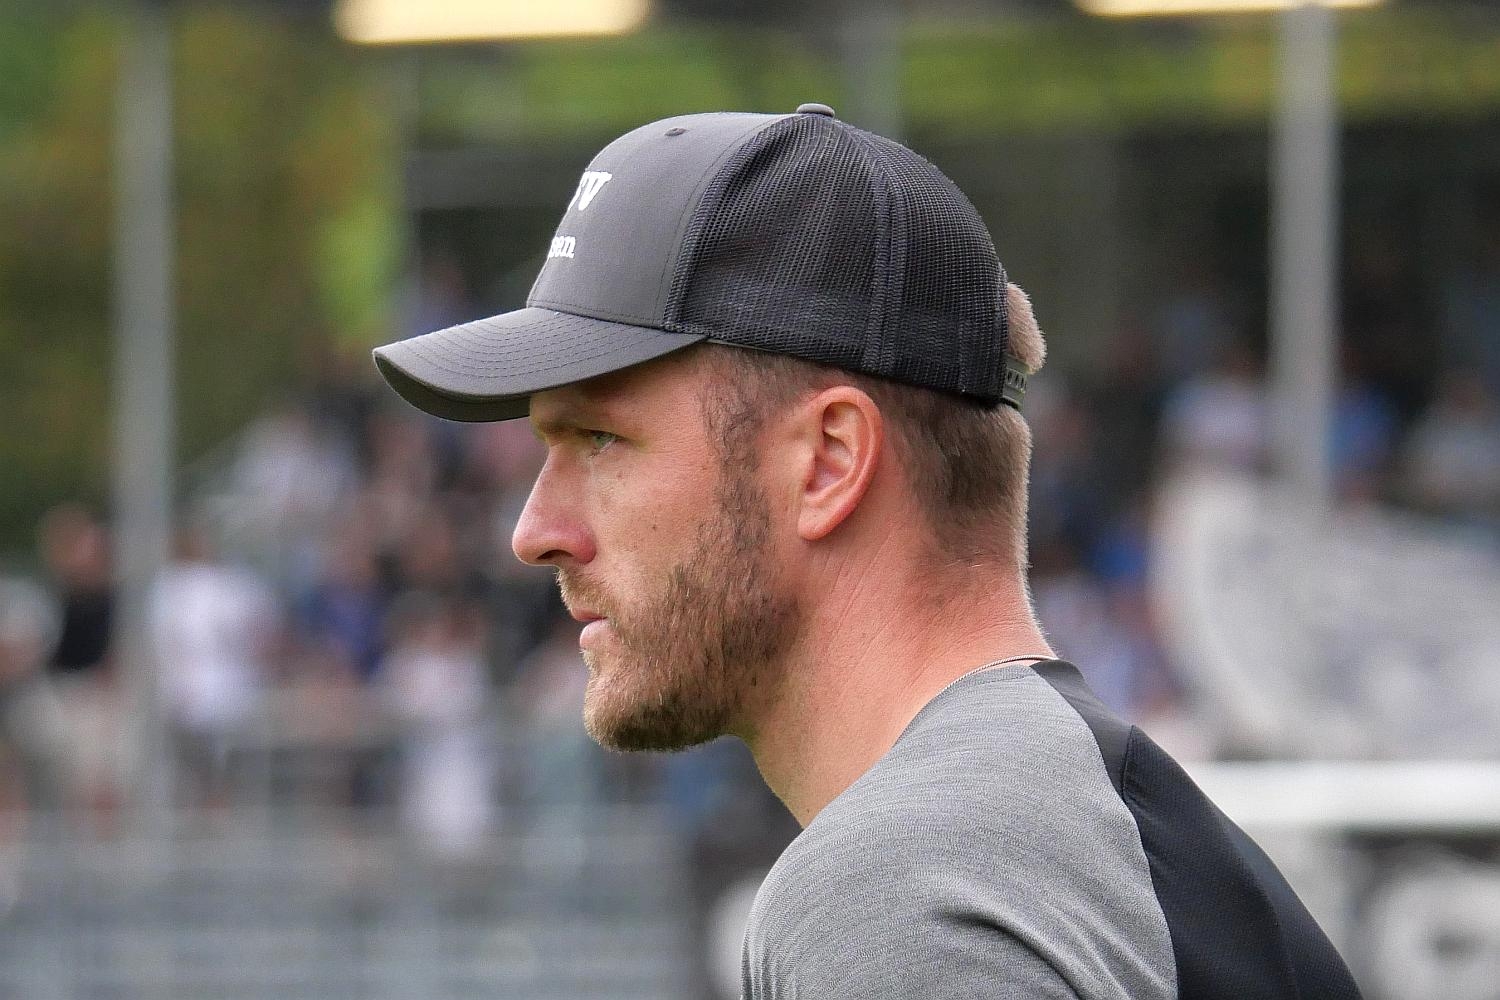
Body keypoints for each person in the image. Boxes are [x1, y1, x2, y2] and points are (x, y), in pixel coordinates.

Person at [372, 104, 1363, 998]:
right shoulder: (1111, 837)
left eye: (599, 439)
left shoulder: (904, 890)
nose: (535, 531)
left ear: (829, 462)